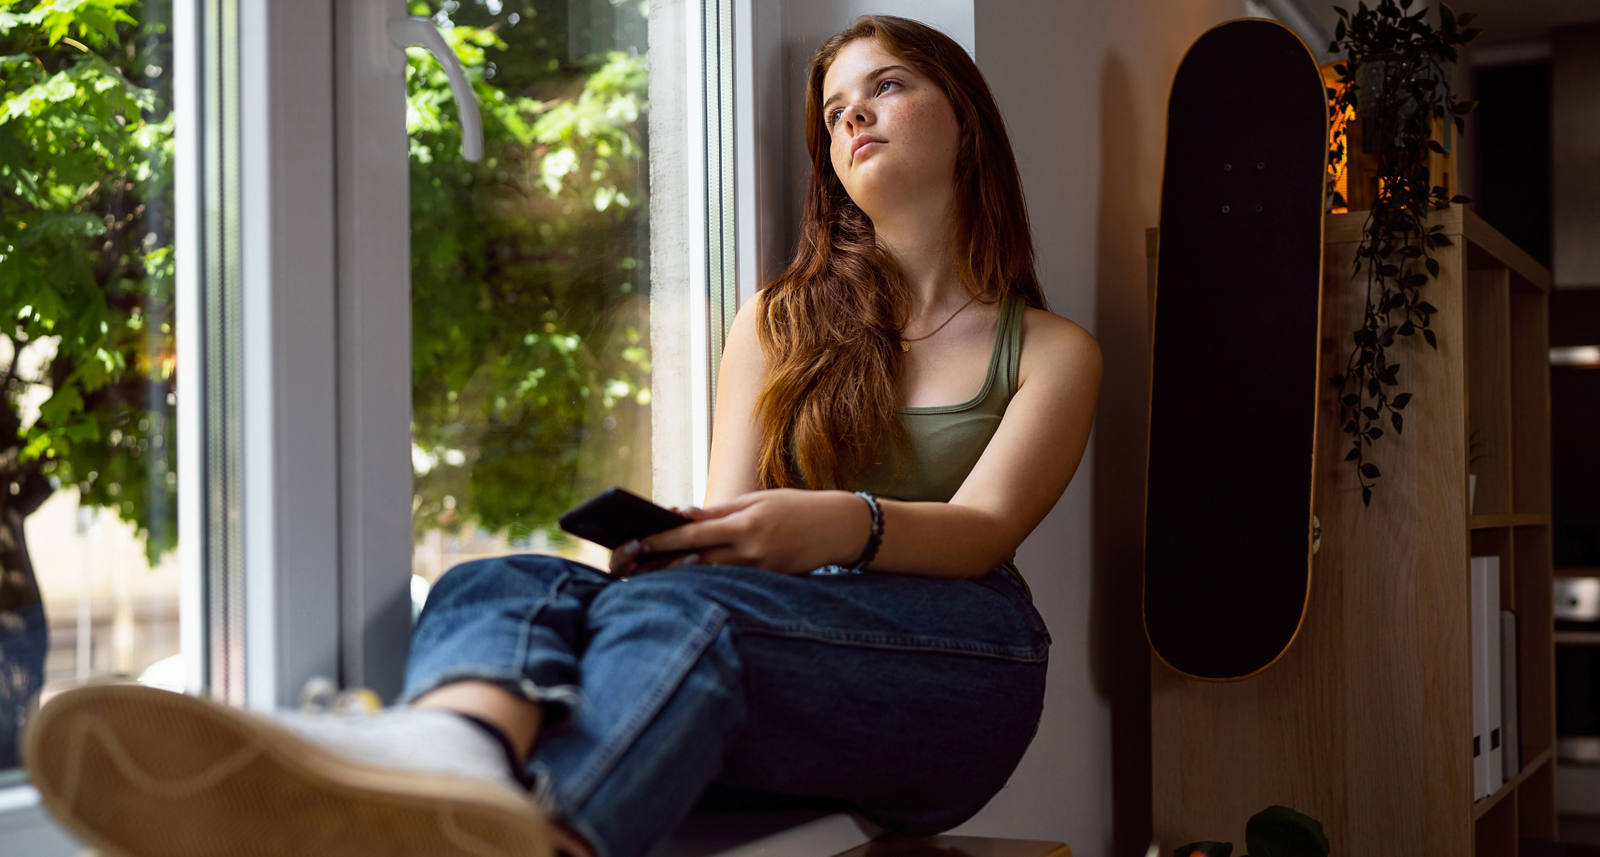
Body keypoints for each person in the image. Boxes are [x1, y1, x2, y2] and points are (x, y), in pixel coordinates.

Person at [22, 14, 1101, 857]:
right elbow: (717, 527)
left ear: (964, 117)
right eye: (832, 112)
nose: (853, 118)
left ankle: (477, 813)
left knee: (696, 613)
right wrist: (686, 540)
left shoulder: (1050, 349)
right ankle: (449, 761)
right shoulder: (777, 320)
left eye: (887, 88)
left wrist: (826, 522)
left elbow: (981, 527)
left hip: (965, 666)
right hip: (785, 643)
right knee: (497, 585)